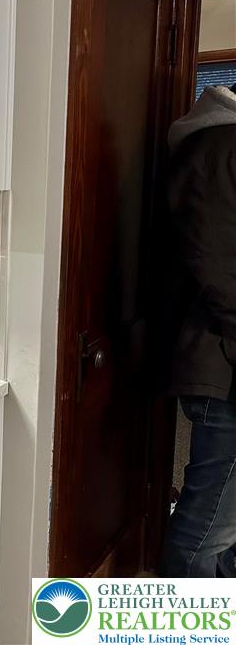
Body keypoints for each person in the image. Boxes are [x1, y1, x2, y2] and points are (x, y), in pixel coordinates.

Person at [160, 82, 236, 578]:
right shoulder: (217, 147)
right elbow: (217, 266)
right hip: (223, 362)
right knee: (208, 526)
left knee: (225, 522)